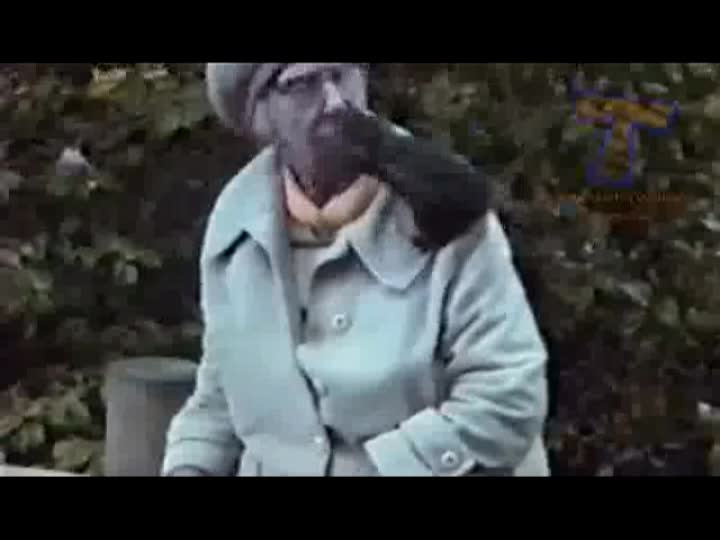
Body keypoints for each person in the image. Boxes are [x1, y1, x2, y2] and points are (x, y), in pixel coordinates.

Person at [161, 63, 550, 476]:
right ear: (260, 115)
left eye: (342, 73)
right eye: (303, 83)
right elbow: (223, 394)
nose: (334, 101)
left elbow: (508, 395)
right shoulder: (238, 223)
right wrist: (190, 465)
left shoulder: (446, 207)